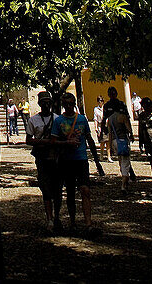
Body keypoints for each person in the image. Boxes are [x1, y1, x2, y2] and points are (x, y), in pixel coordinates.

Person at [53, 92, 105, 232]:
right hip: (66, 161)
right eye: (66, 104)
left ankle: (88, 223)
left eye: (71, 104)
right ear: (63, 105)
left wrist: (97, 161)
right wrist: (66, 143)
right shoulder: (58, 121)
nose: (69, 106)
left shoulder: (81, 119)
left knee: (85, 190)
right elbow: (54, 142)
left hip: (81, 159)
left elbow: (89, 139)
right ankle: (73, 222)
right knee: (70, 192)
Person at [26, 91, 61, 233]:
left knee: (58, 190)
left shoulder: (58, 119)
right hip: (42, 158)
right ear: (39, 104)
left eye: (48, 102)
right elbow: (28, 140)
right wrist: (44, 142)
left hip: (56, 158)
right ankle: (49, 218)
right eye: (44, 102)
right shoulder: (33, 120)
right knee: (46, 190)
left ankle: (57, 216)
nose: (46, 105)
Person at [108, 106, 136, 191]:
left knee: (120, 161)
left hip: (114, 141)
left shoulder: (110, 119)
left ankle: (125, 180)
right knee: (125, 162)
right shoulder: (123, 117)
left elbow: (110, 134)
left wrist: (110, 146)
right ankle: (124, 184)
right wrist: (131, 135)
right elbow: (129, 129)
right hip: (123, 141)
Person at [101, 86, 127, 163]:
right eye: (110, 93)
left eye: (114, 93)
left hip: (122, 131)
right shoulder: (107, 105)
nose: (112, 95)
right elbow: (104, 118)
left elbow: (126, 118)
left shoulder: (121, 104)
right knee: (115, 150)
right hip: (112, 131)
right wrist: (102, 130)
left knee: (124, 151)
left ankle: (128, 170)